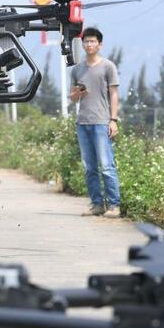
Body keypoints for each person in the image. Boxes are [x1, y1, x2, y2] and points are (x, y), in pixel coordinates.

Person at [69, 27, 122, 218]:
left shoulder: (108, 66)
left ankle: (114, 206)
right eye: (86, 41)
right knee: (89, 167)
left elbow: (114, 94)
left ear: (100, 45)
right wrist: (78, 93)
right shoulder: (77, 69)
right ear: (82, 44)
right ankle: (97, 205)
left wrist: (113, 120)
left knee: (107, 166)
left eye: (93, 41)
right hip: (83, 122)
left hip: (101, 121)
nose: (89, 44)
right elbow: (73, 98)